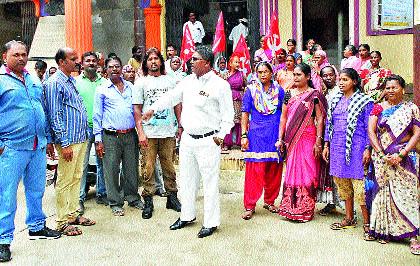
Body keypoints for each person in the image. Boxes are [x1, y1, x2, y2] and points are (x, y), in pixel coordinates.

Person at [142, 46, 234, 238]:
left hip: (209, 140)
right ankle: (187, 216)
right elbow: (171, 97)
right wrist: (152, 109)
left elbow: (228, 115)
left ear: (206, 63)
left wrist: (222, 134)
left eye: (195, 59)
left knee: (209, 183)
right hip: (188, 140)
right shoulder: (188, 81)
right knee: (187, 180)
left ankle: (210, 222)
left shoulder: (220, 85)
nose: (190, 62)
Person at [0, 40, 61, 263]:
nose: (21, 58)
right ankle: (3, 240)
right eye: (16, 54)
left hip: (37, 145)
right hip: (12, 147)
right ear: (5, 56)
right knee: (6, 194)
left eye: (24, 54)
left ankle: (36, 226)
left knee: (36, 190)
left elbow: (41, 108)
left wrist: (48, 138)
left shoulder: (33, 79)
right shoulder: (1, 80)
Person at [44, 47, 96, 235]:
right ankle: (61, 222)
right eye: (73, 59)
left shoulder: (70, 81)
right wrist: (64, 143)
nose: (77, 61)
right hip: (68, 141)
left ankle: (73, 214)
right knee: (65, 180)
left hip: (80, 137)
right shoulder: (54, 83)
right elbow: (55, 116)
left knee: (76, 177)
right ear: (61, 62)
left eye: (76, 58)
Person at [367, 75, 420, 254]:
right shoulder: (377, 108)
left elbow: (416, 133)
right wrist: (381, 154)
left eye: (394, 87)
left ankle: (413, 235)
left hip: (405, 157)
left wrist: (402, 153)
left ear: (402, 89)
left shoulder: (411, 108)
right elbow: (371, 131)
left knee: (408, 194)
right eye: (387, 87)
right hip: (382, 158)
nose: (390, 90)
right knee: (384, 193)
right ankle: (385, 231)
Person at [323, 68, 373, 240]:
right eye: (340, 79)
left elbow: (369, 128)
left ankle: (367, 224)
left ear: (354, 81)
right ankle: (349, 217)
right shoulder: (335, 100)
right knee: (342, 184)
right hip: (337, 147)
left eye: (345, 79)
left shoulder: (365, 101)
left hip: (357, 147)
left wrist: (368, 148)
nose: (341, 82)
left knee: (360, 188)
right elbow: (329, 124)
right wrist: (326, 145)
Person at [132, 47, 182, 219]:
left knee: (169, 165)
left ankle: (172, 197)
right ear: (146, 63)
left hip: (168, 130)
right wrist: (140, 133)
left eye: (156, 59)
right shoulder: (141, 83)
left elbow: (177, 104)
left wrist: (180, 124)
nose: (153, 62)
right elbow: (137, 109)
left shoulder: (170, 80)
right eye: (150, 59)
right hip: (149, 132)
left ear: (161, 61)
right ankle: (148, 200)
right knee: (148, 166)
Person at [275, 63, 327, 222]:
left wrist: (319, 141)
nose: (295, 77)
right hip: (291, 138)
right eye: (294, 75)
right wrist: (280, 139)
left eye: (298, 75)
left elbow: (320, 119)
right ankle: (289, 208)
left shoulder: (315, 95)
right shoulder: (288, 93)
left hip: (309, 137)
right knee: (291, 170)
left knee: (308, 171)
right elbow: (283, 117)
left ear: (308, 77)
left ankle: (305, 209)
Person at [93, 56, 143, 216]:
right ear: (106, 70)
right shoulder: (102, 89)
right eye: (111, 67)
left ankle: (133, 197)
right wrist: (98, 139)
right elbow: (97, 116)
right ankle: (115, 202)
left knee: (131, 169)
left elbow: (136, 111)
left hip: (130, 135)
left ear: (121, 68)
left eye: (117, 66)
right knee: (111, 169)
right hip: (110, 136)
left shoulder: (130, 87)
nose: (114, 69)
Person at [241, 62, 285, 220]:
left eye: (266, 71)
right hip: (256, 134)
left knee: (274, 169)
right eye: (259, 72)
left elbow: (284, 113)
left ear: (272, 72)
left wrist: (282, 136)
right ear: (256, 73)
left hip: (274, 133)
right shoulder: (250, 91)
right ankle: (250, 205)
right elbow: (245, 113)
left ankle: (270, 200)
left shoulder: (279, 90)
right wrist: (244, 135)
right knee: (255, 170)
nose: (262, 74)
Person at [76, 51, 107, 215]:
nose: (91, 63)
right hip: (83, 128)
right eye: (87, 60)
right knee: (83, 164)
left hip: (101, 128)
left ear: (98, 64)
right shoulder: (75, 83)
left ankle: (102, 194)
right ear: (82, 64)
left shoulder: (105, 83)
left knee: (103, 162)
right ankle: (80, 198)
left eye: (94, 61)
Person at [317, 65, 342, 216]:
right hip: (328, 135)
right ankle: (330, 203)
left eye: (330, 75)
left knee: (340, 170)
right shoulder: (324, 94)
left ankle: (347, 205)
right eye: (324, 76)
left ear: (335, 75)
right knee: (328, 170)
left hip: (339, 135)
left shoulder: (341, 92)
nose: (328, 78)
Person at [223, 54, 246, 151]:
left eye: (238, 62)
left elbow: (245, 86)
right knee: (228, 121)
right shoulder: (225, 75)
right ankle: (226, 143)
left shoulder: (241, 74)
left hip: (239, 100)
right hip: (228, 100)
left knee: (239, 121)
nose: (237, 64)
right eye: (235, 62)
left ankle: (239, 143)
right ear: (230, 64)